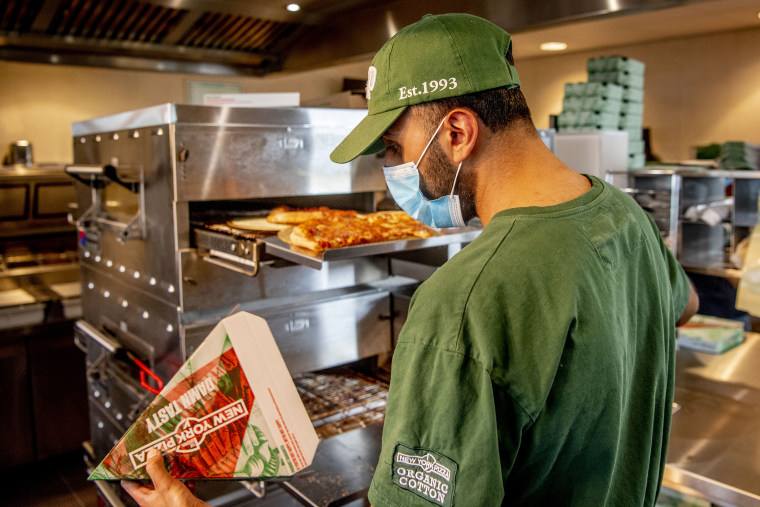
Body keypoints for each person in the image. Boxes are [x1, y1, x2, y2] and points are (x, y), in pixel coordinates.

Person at [123, 13, 698, 507]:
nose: (391, 170)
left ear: (457, 132)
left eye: (394, 148)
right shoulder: (625, 218)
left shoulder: (464, 301)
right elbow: (683, 305)